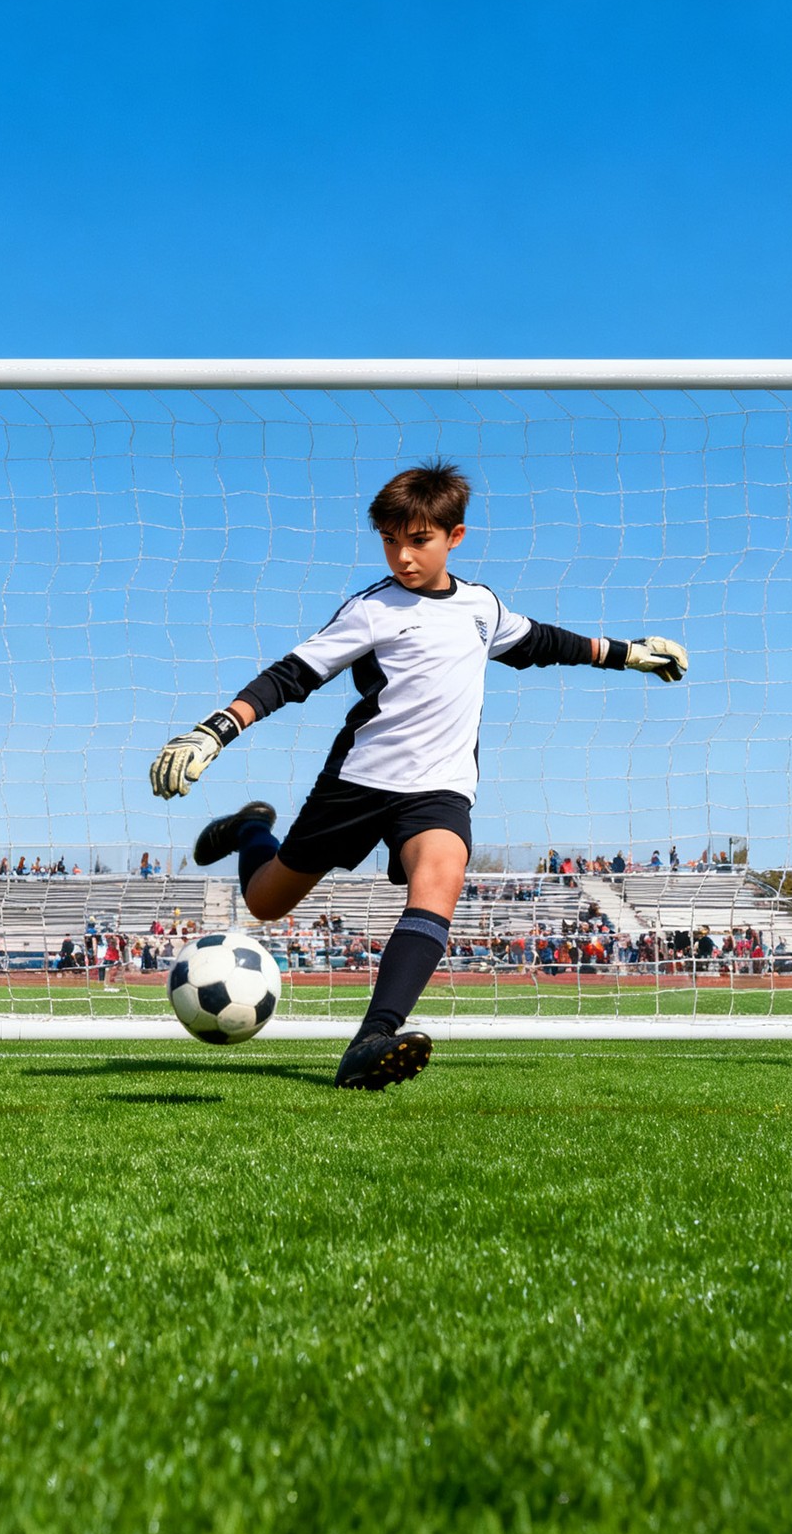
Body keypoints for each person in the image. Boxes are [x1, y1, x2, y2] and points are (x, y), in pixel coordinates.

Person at [149, 458, 687, 1091]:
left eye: (419, 540)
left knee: (441, 881)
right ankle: (249, 830)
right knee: (267, 904)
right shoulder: (371, 610)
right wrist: (218, 728)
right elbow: (291, 676)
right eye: (390, 540)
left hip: (440, 787)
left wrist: (627, 655)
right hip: (359, 782)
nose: (402, 555)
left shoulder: (482, 607)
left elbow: (541, 642)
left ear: (454, 536)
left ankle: (372, 1038)